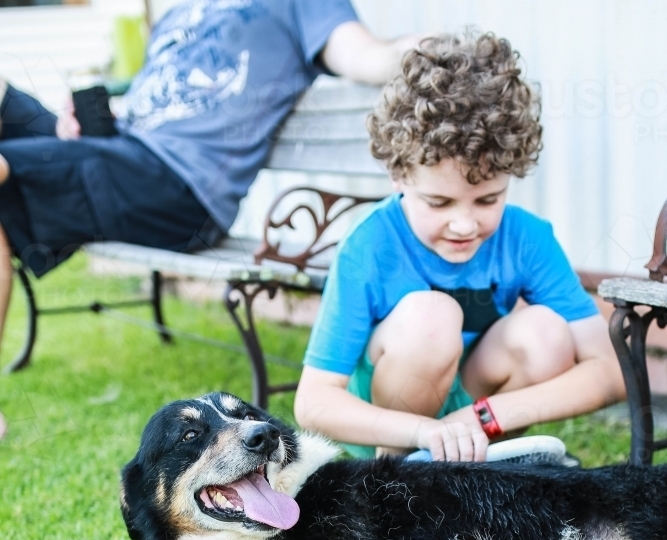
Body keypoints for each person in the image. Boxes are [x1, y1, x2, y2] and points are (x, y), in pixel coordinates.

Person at [0, 0, 422, 440]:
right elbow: (159, 111)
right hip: (124, 159)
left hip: (181, 190)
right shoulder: (179, 14)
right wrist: (79, 133)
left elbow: (366, 54)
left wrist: (426, 49)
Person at [294, 32, 626, 462]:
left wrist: (482, 418)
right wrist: (421, 431)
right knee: (432, 316)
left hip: (475, 421)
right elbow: (314, 402)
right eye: (439, 202)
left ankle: (478, 470)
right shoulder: (370, 245)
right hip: (389, 425)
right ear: (398, 174)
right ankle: (395, 478)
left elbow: (612, 371)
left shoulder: (526, 237)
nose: (465, 224)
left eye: (489, 199)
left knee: (545, 331)